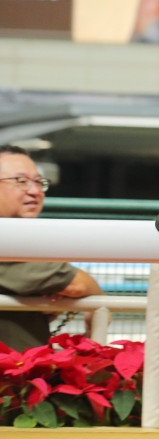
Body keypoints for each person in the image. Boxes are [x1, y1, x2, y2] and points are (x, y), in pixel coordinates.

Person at [0, 145, 103, 351]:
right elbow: (80, 285)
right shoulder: (9, 243)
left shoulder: (24, 241)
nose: (35, 191)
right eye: (20, 181)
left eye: (39, 182)